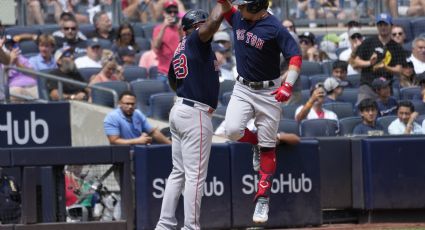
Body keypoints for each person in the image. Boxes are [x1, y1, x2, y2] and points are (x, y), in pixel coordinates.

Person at [220, 0, 302, 223]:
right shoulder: (239, 17)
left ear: (255, 8)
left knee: (268, 148)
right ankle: (254, 140)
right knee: (232, 131)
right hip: (243, 88)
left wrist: (288, 85)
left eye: (243, 5)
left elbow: (294, 56)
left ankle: (263, 199)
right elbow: (226, 9)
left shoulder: (275, 27)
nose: (239, 8)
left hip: (269, 93)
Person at [155, 4, 225, 229]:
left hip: (181, 109)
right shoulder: (195, 41)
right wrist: (224, 5)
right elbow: (212, 24)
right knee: (195, 176)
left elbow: (173, 81)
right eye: (200, 24)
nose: (206, 27)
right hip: (195, 113)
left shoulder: (181, 48)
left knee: (179, 172)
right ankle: (191, 227)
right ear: (191, 28)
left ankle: (164, 225)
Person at [351, 13, 405, 104]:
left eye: (385, 25)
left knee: (387, 114)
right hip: (368, 86)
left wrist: (385, 67)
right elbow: (355, 62)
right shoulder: (368, 42)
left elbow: (399, 70)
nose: (383, 27)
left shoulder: (396, 47)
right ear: (377, 26)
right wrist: (369, 63)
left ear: (391, 26)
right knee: (364, 109)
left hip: (386, 87)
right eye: (380, 25)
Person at [103, 91, 171, 145]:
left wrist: (171, 145)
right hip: (121, 153)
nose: (130, 106)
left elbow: (153, 132)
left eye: (132, 104)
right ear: (120, 103)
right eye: (127, 103)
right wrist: (137, 141)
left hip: (139, 148)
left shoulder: (137, 113)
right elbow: (114, 141)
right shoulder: (112, 117)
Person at [152, 0, 182, 79]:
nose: (172, 14)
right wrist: (164, 27)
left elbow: (185, 46)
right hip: (164, 73)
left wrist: (180, 29)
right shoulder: (158, 29)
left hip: (180, 73)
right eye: (169, 11)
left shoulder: (181, 29)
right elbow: (156, 46)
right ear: (164, 13)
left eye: (175, 12)